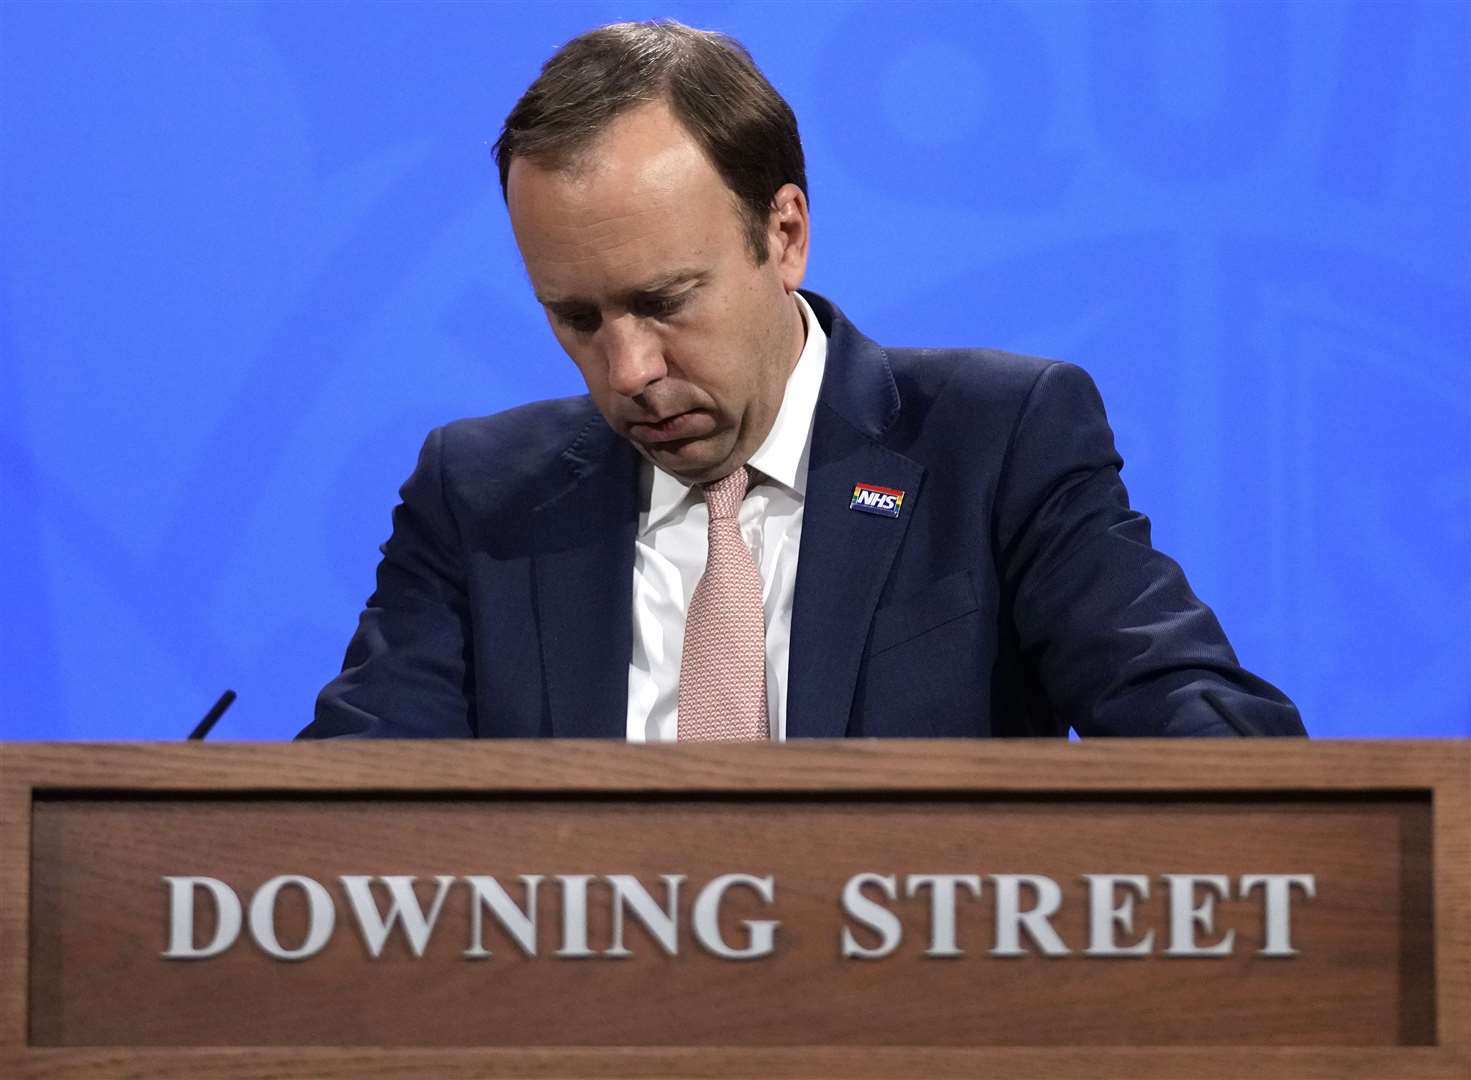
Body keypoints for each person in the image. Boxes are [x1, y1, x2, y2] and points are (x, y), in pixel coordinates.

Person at [301, 20, 1303, 741]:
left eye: (665, 301)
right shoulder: (479, 493)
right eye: (577, 318)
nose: (629, 370)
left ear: (784, 235)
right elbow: (344, 818)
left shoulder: (992, 444)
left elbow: (1194, 729)